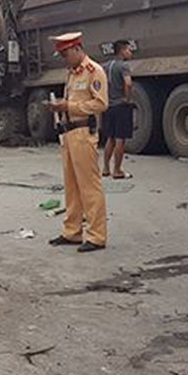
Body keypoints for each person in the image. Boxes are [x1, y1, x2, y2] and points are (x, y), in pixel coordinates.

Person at [47, 32, 109, 253]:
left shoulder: (94, 71)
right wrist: (61, 108)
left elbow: (101, 104)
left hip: (84, 132)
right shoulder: (72, 73)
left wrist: (68, 107)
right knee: (72, 186)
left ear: (76, 49)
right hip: (69, 133)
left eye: (65, 54)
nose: (64, 59)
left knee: (89, 186)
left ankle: (97, 235)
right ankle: (72, 231)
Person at [101, 39, 134, 179]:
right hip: (121, 105)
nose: (130, 52)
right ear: (121, 51)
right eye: (128, 49)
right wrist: (127, 98)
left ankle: (106, 168)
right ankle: (117, 170)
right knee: (120, 139)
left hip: (109, 106)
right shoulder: (123, 66)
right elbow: (128, 83)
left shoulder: (106, 66)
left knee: (110, 138)